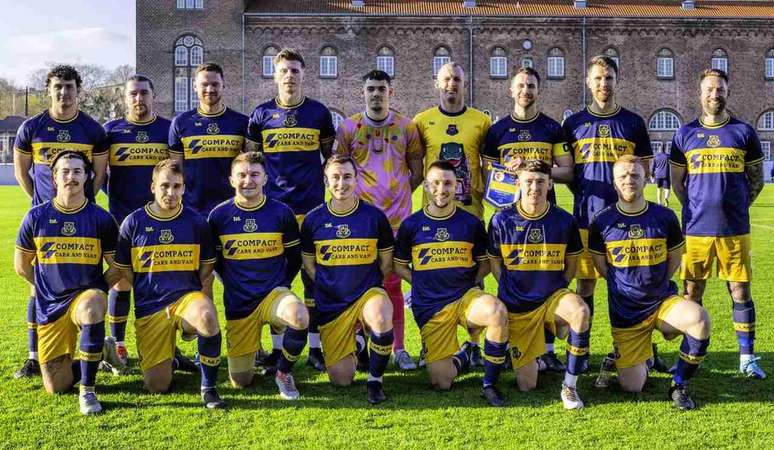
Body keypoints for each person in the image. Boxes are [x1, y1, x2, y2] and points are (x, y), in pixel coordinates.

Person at [589, 155, 711, 410]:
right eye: (622, 176)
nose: (629, 181)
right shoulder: (602, 221)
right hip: (626, 313)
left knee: (699, 320)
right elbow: (602, 267)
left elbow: (674, 260)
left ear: (647, 179)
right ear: (614, 183)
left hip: (661, 302)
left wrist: (655, 286)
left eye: (635, 175)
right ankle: (640, 356)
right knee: (632, 387)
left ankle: (679, 385)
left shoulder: (664, 216)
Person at [13, 64, 109, 379]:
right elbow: (21, 172)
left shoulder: (93, 129)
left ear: (78, 90)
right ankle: (33, 355)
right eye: (58, 87)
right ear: (49, 90)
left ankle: (95, 348)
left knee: (86, 282)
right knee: (37, 286)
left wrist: (82, 202)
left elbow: (99, 174)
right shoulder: (32, 127)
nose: (64, 93)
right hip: (45, 218)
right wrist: (41, 204)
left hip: (83, 217)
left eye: (69, 87)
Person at [669, 68, 765, 379]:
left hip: (734, 229)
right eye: (709, 89)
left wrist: (733, 205)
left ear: (727, 92)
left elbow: (756, 181)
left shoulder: (744, 133)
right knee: (691, 292)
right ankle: (687, 354)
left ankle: (747, 357)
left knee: (739, 290)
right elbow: (677, 184)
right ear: (700, 94)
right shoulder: (684, 134)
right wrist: (699, 208)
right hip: (696, 230)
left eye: (720, 89)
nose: (715, 94)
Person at [246, 48, 335, 371]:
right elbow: (254, 162)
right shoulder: (260, 116)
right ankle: (277, 349)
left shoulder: (319, 114)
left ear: (303, 74)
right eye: (284, 70)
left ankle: (315, 347)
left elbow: (329, 158)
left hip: (311, 210)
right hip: (275, 213)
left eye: (295, 70)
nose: (290, 76)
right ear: (275, 75)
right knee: (277, 280)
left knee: (313, 279)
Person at [562, 55, 653, 371]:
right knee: (585, 286)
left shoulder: (632, 122)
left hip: (626, 222)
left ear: (617, 80)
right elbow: (570, 172)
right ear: (588, 82)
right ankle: (582, 350)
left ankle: (628, 347)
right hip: (587, 220)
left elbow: (644, 168)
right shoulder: (573, 124)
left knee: (627, 285)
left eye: (609, 78)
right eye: (598, 78)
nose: (603, 83)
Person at [113, 159, 226, 409]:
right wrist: (145, 285)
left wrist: (192, 287)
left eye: (177, 186)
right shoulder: (133, 222)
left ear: (184, 188)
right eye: (165, 186)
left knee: (206, 316)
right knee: (157, 386)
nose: (171, 193)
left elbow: (207, 266)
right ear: (153, 187)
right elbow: (123, 268)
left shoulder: (196, 222)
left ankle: (209, 388)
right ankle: (171, 359)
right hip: (150, 307)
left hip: (185, 299)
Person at [14, 151, 121, 415]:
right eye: (65, 171)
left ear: (86, 177)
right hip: (51, 306)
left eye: (77, 171)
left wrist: (98, 288)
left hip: (85, 297)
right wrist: (44, 289)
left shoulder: (101, 218)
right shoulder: (36, 217)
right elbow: (21, 265)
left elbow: (118, 266)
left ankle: (88, 390)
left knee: (93, 305)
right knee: (56, 384)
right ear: (54, 177)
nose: (71, 177)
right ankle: (102, 350)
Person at [394, 160, 509, 406]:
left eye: (448, 183)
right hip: (431, 306)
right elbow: (400, 266)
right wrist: (422, 283)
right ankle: (463, 357)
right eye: (435, 183)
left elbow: (485, 263)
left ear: (457, 186)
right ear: (425, 186)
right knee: (441, 382)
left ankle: (490, 383)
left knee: (496, 311)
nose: (441, 189)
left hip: (466, 298)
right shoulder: (411, 225)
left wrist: (470, 282)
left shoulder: (471, 223)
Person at [482, 66, 574, 372]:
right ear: (511, 91)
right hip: (508, 217)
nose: (526, 90)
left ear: (538, 90)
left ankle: (547, 350)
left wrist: (535, 170)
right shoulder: (496, 131)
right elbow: (488, 175)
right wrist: (508, 175)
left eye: (531, 86)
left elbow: (568, 169)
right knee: (513, 276)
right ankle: (509, 343)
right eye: (520, 85)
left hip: (545, 215)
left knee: (545, 277)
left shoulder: (552, 128)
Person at [335, 69, 424, 371]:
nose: (376, 94)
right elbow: (340, 170)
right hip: (361, 223)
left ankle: (399, 348)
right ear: (363, 92)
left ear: (390, 92)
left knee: (393, 285)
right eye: (371, 89)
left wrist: (398, 194)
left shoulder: (407, 127)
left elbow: (417, 170)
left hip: (398, 222)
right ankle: (359, 343)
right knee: (359, 284)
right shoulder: (348, 128)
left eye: (381, 89)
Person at [488, 159, 590, 410]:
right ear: (519, 183)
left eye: (541, 182)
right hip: (519, 307)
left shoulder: (564, 220)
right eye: (529, 181)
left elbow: (572, 263)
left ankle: (570, 385)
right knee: (527, 385)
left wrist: (557, 288)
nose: (535, 187)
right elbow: (495, 265)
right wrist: (515, 288)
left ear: (551, 184)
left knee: (580, 311)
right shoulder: (501, 219)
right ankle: (529, 353)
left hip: (552, 299)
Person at [208, 152, 309, 399]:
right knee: (241, 382)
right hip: (239, 303)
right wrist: (231, 282)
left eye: (254, 174)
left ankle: (283, 372)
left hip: (273, 295)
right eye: (241, 175)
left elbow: (294, 257)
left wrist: (282, 285)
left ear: (265, 178)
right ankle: (253, 351)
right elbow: (215, 261)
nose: (248, 180)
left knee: (299, 315)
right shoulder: (218, 216)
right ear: (231, 180)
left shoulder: (281, 212)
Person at [300, 155, 395, 404]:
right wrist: (329, 285)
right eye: (335, 177)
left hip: (366, 295)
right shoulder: (313, 220)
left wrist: (370, 283)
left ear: (357, 179)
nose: (341, 183)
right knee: (341, 379)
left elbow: (386, 261)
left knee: (381, 315)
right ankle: (360, 344)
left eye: (347, 177)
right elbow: (309, 263)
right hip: (332, 304)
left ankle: (375, 381)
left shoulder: (374, 217)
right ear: (326, 181)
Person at [414, 61, 491, 365]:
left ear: (464, 83)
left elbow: (490, 163)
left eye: (457, 79)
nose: (451, 84)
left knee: (475, 275)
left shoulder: (481, 121)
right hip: (431, 213)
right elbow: (413, 161)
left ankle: (472, 344)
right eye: (446, 79)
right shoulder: (422, 121)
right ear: (437, 83)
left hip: (470, 211)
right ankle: (428, 342)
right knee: (429, 277)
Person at [101, 74, 172, 374]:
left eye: (144, 92)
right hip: (121, 219)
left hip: (159, 219)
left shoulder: (168, 130)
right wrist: (118, 199)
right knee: (119, 278)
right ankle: (116, 346)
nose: (138, 99)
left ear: (153, 95)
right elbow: (101, 176)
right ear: (124, 98)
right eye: (133, 94)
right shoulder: (110, 131)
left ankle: (167, 345)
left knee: (162, 280)